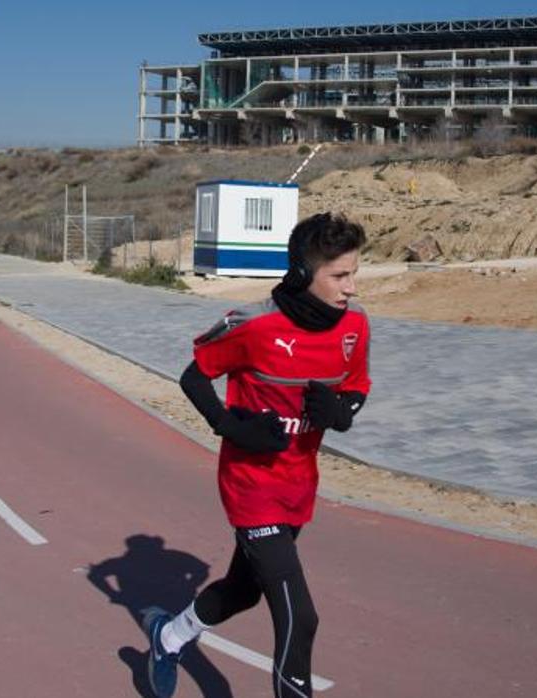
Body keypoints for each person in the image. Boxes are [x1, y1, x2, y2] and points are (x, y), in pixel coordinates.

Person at [145, 212, 372, 698]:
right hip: (250, 485)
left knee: (243, 590)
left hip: (298, 484)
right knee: (300, 617)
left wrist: (341, 410)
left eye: (354, 273)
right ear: (299, 274)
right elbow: (194, 376)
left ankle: (168, 636)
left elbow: (355, 388)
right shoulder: (254, 325)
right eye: (339, 276)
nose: (351, 287)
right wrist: (232, 426)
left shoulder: (354, 326)